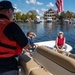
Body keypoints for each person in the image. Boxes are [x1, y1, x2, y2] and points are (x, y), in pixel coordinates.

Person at [0, 1, 29, 75]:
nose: (13, 13)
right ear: (9, 10)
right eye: (13, 10)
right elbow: (26, 45)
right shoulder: (11, 26)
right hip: (7, 66)